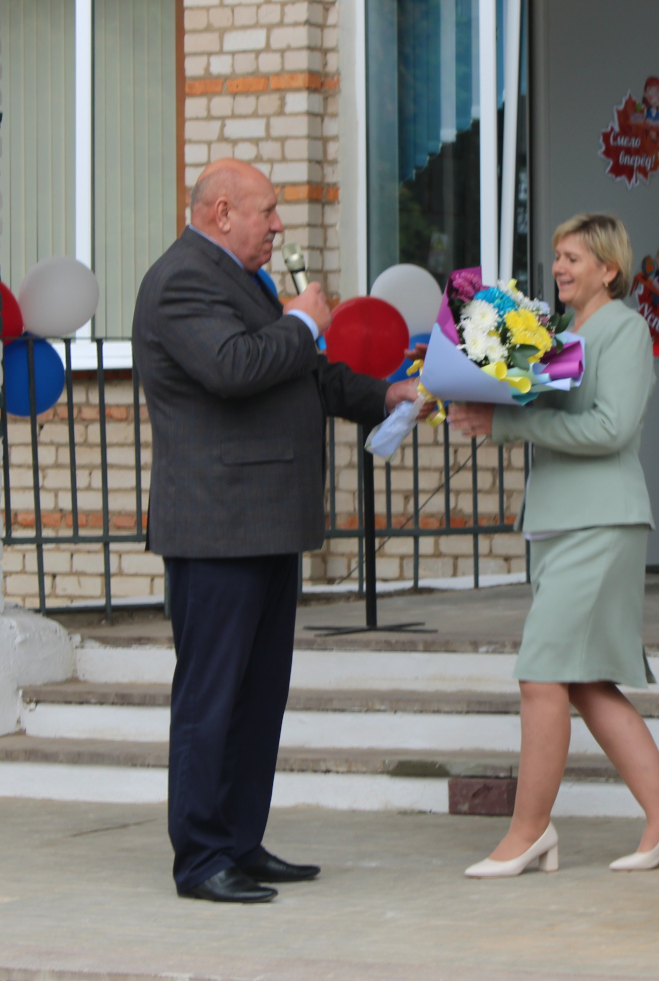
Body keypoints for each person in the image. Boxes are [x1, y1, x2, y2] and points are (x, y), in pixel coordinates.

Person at [132, 159, 422, 903]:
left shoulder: (244, 279)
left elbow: (305, 375)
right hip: (217, 525)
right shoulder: (182, 279)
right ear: (222, 212)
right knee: (211, 697)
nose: (278, 224)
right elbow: (234, 368)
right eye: (267, 211)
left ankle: (239, 840)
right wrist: (300, 320)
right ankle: (201, 858)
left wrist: (385, 393)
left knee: (259, 697)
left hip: (264, 521)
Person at [449, 214, 659, 877]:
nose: (559, 267)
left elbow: (611, 428)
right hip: (561, 521)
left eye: (573, 257)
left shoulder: (625, 330)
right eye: (557, 256)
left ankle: (528, 831)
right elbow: (544, 411)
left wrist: (508, 424)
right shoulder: (559, 333)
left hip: (600, 520)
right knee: (585, 682)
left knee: (541, 673)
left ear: (608, 269)